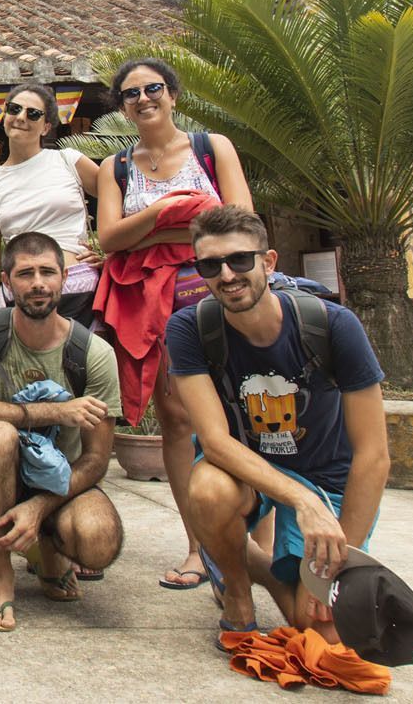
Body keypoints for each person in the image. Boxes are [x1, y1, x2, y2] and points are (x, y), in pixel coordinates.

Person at [168, 205, 388, 645]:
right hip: (246, 470)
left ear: (268, 262)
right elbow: (213, 441)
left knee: (316, 632)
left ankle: (272, 575)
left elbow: (373, 455)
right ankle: (236, 590)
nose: (227, 275)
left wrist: (339, 560)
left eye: (240, 260)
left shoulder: (333, 325)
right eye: (210, 265)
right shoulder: (190, 328)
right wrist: (300, 502)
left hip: (326, 476)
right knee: (208, 489)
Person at [93, 57, 253, 592]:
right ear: (121, 106)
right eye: (131, 94)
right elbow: (109, 239)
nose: (143, 99)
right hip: (152, 303)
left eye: (153, 88)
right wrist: (173, 216)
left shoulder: (213, 148)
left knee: (237, 412)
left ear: (173, 95)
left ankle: (257, 536)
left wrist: (152, 235)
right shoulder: (117, 166)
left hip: (219, 294)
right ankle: (197, 545)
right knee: (177, 417)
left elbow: (241, 223)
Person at [0, 233, 124, 632]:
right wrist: (55, 411)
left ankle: (47, 546)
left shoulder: (93, 353)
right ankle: (1, 574)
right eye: (25, 273)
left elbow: (97, 459)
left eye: (48, 272)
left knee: (98, 543)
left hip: (61, 480)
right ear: (7, 283)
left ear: (64, 278)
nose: (38, 283)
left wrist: (39, 506)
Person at [0, 82, 101, 322]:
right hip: (22, 294)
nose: (21, 117)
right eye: (14, 109)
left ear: (46, 127)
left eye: (33, 113)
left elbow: (117, 199)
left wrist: (108, 251)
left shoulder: (68, 160)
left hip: (79, 288)